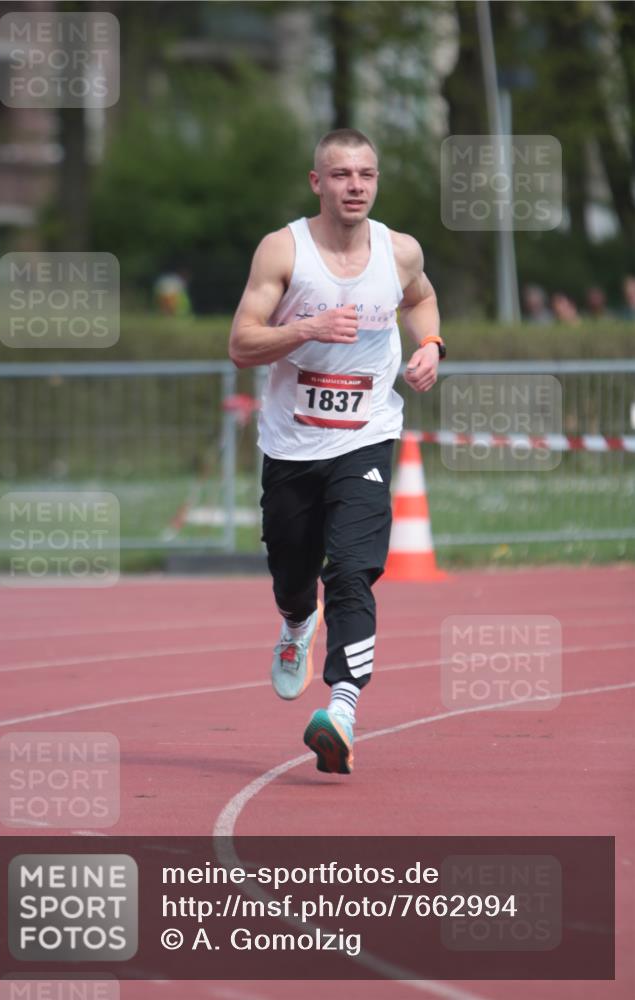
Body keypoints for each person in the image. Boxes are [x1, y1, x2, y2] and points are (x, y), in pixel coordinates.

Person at [229, 128, 444, 775]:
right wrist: (308, 328)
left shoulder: (398, 251)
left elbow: (423, 298)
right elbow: (241, 343)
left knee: (350, 571)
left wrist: (431, 346)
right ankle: (297, 622)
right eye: (341, 174)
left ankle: (342, 712)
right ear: (315, 182)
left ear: (375, 183)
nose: (355, 185)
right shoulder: (283, 249)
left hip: (367, 437)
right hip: (291, 447)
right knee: (294, 576)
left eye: (366, 175)